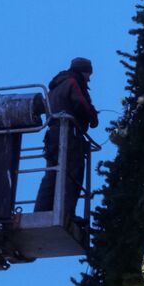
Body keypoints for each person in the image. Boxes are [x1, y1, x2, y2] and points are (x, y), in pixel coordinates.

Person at [36, 57, 99, 244]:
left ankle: (42, 211)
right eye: (88, 74)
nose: (89, 79)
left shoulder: (55, 86)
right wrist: (92, 116)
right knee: (72, 175)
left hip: (52, 136)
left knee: (52, 175)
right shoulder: (73, 82)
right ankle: (66, 213)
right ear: (83, 71)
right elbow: (81, 103)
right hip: (68, 136)